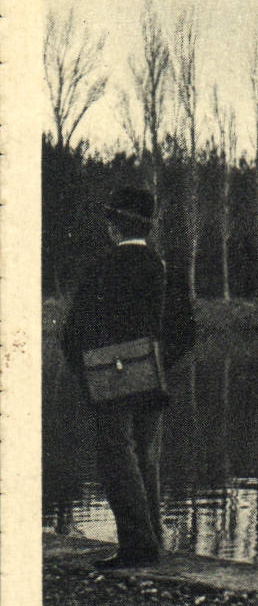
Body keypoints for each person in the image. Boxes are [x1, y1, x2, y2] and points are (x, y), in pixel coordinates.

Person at [61, 187, 195, 569]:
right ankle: (152, 542)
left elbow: (73, 333)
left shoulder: (100, 268)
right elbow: (185, 333)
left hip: (108, 377)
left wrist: (91, 372)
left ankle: (138, 547)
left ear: (113, 227)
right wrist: (153, 363)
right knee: (145, 457)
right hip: (152, 377)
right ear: (148, 227)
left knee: (116, 458)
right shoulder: (164, 268)